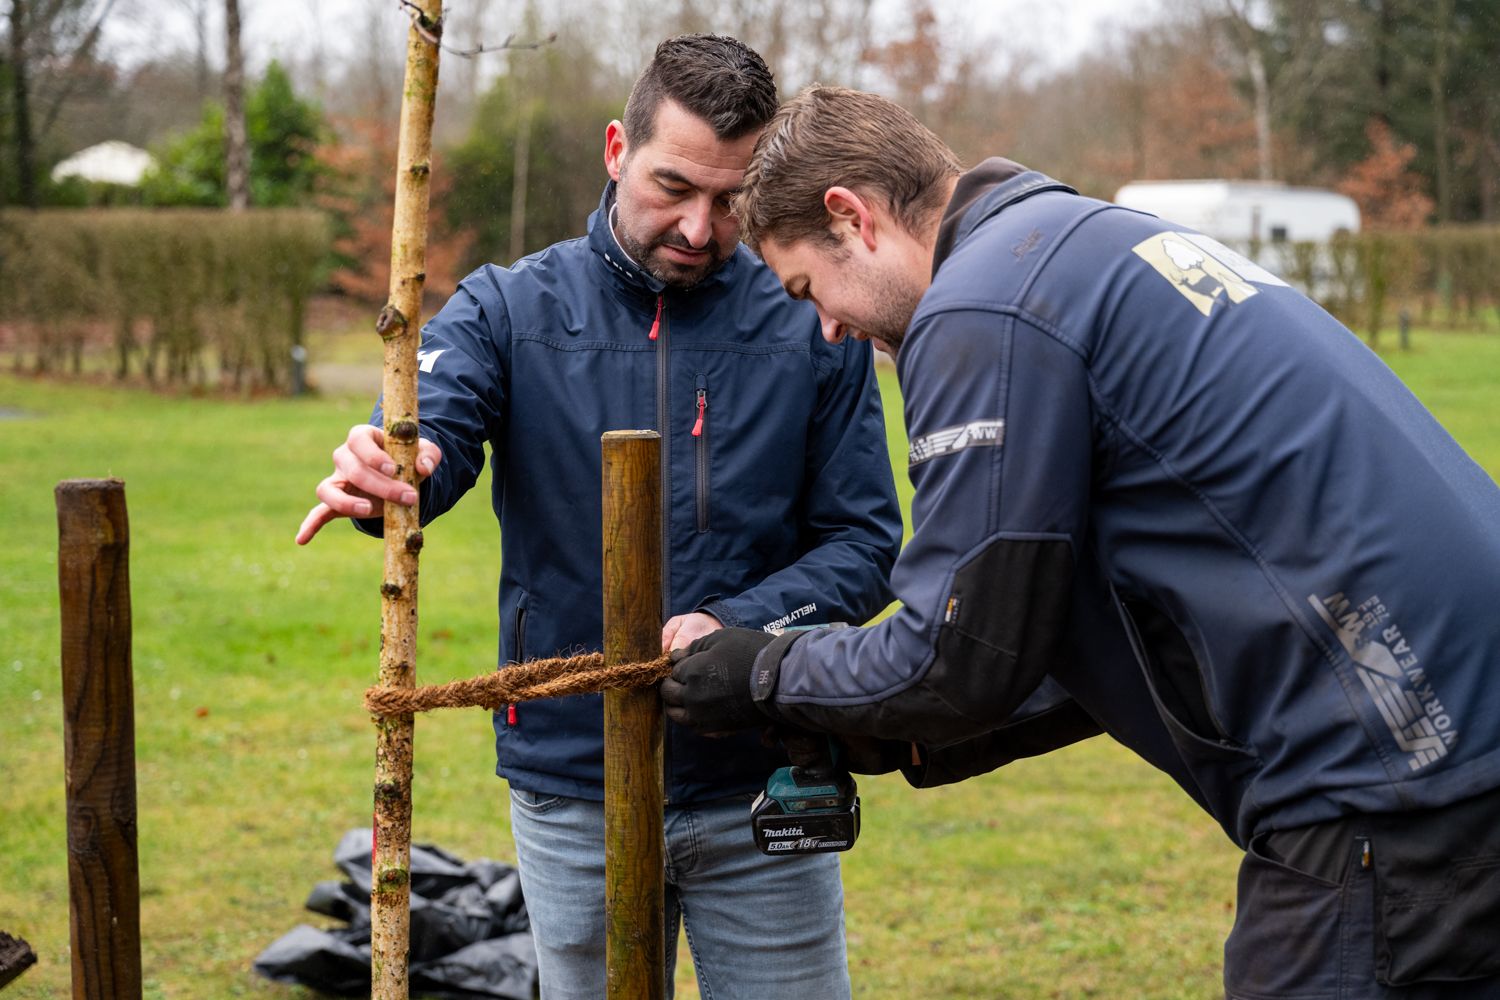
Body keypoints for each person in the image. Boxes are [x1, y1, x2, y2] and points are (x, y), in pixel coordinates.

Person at [663, 85, 1500, 999]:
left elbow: (958, 650)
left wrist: (761, 671)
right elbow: (1081, 631)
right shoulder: (1084, 245)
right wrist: (898, 739)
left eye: (806, 288)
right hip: (1459, 752)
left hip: (1390, 783)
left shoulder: (983, 309)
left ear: (851, 217)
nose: (826, 326)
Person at [295, 47, 902, 998]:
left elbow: (865, 544)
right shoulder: (507, 307)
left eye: (731, 199)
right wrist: (394, 464)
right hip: (568, 782)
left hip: (761, 776)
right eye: (673, 187)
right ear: (618, 149)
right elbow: (432, 428)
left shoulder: (808, 322)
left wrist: (742, 632)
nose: (699, 229)